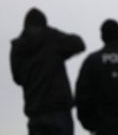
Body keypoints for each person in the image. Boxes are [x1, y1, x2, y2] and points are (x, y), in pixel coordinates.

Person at [10, 7, 85, 135]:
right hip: (59, 110)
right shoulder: (52, 38)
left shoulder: (18, 47)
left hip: (35, 112)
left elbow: (17, 79)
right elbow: (78, 44)